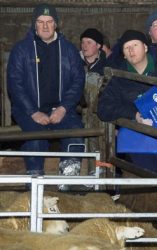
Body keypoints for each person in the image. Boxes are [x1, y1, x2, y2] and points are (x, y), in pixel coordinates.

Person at [7, 3, 85, 191]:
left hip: (61, 108)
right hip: (29, 109)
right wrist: (33, 112)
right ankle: (35, 182)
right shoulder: (21, 50)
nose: (45, 26)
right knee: (36, 137)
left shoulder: (69, 50)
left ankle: (69, 178)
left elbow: (78, 81)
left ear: (56, 24)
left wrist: (64, 107)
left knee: (76, 131)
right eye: (40, 22)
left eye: (49, 21)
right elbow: (14, 84)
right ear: (34, 25)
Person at [97, 29, 157, 178]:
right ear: (124, 55)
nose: (131, 51)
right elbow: (103, 107)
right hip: (139, 141)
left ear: (145, 47)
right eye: (127, 48)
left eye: (135, 45)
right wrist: (134, 114)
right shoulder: (120, 78)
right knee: (145, 178)